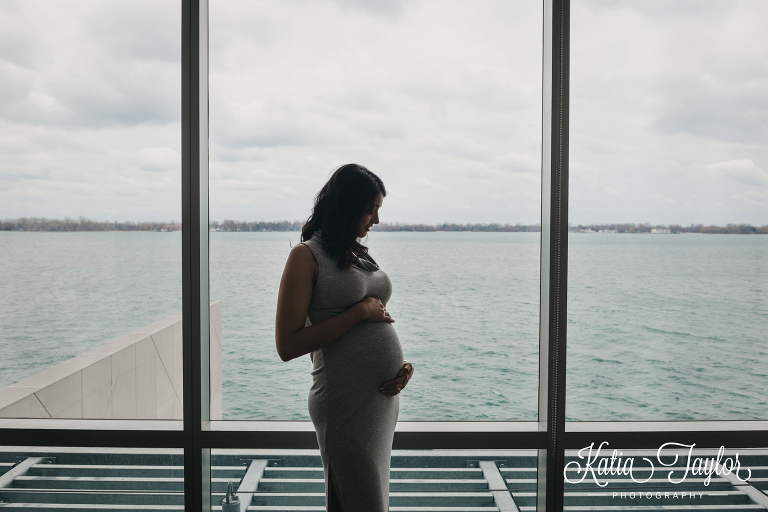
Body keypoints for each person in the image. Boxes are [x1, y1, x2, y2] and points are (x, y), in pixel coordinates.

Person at [275, 163, 414, 512]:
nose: (376, 220)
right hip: (343, 405)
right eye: (371, 209)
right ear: (347, 206)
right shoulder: (305, 256)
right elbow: (287, 344)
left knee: (363, 502)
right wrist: (359, 314)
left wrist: (399, 367)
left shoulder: (355, 251)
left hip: (378, 404)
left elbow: (373, 320)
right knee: (364, 503)